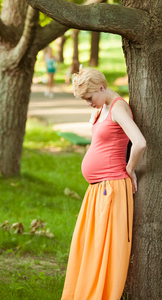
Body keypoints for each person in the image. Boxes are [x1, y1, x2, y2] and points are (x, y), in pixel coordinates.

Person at [61, 68, 146, 300]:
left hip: (112, 188)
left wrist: (129, 169)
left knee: (103, 250)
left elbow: (139, 143)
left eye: (89, 98)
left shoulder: (118, 107)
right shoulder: (104, 108)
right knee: (90, 248)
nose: (89, 103)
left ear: (101, 87)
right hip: (98, 189)